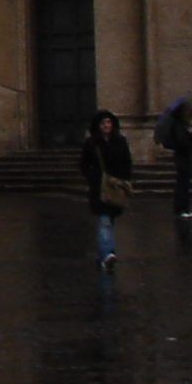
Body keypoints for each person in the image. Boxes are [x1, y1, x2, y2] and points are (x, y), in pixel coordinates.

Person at [80, 109, 133, 271]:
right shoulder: (91, 143)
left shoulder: (120, 141)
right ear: (98, 125)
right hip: (99, 187)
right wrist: (93, 178)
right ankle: (108, 254)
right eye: (103, 123)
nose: (106, 125)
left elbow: (127, 162)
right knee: (104, 221)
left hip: (115, 186)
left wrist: (124, 181)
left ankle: (104, 253)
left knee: (109, 221)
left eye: (109, 122)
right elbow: (83, 165)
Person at [163, 103, 192, 221]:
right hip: (183, 157)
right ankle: (182, 208)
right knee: (183, 183)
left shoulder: (180, 125)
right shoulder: (179, 125)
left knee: (183, 183)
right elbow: (182, 141)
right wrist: (189, 139)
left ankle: (182, 208)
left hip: (182, 157)